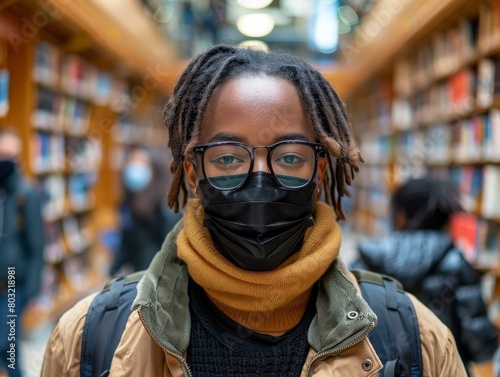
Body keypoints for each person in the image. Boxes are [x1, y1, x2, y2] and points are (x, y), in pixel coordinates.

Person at [41, 45, 468, 376]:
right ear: (193, 173)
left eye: (289, 158)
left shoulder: (414, 337)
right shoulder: (90, 337)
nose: (259, 180)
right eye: (228, 159)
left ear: (320, 170)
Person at [352, 177, 498, 375]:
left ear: (401, 216)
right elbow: (480, 346)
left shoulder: (369, 260)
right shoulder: (457, 264)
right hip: (443, 369)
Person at [0, 128, 44, 377]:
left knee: (8, 345)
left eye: (10, 154)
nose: (5, 159)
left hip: (14, 285)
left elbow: (37, 246)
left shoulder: (26, 194)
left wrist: (34, 290)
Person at [109, 147, 182, 275]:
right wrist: (112, 271)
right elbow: (127, 244)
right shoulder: (130, 203)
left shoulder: (166, 208)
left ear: (153, 170)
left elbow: (172, 253)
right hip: (138, 277)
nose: (136, 169)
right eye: (132, 163)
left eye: (141, 164)